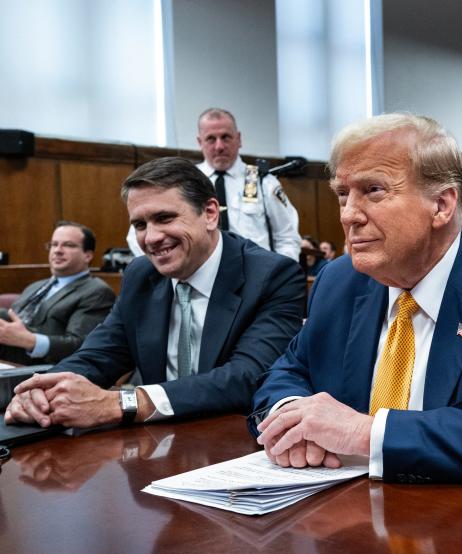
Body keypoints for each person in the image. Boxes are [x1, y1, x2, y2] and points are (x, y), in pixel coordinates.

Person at [251, 113, 462, 491]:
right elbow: (286, 373)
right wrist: (291, 418)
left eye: (373, 191)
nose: (348, 215)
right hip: (356, 514)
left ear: (442, 206)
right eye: (343, 194)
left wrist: (368, 434)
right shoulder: (339, 280)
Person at [4, 157, 304, 429]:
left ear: (210, 213)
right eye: (139, 224)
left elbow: (248, 376)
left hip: (234, 441)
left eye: (164, 218)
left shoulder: (272, 276)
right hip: (154, 444)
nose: (151, 238)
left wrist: (124, 402)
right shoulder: (141, 274)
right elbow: (99, 354)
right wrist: (42, 390)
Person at [125, 108, 301, 262]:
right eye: (211, 139)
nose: (219, 146)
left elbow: (287, 237)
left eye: (226, 137)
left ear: (238, 139)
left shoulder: (263, 181)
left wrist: (276, 275)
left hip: (257, 277)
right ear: (199, 142)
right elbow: (137, 237)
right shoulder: (181, 180)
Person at [0, 221, 115, 365]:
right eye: (54, 244)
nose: (58, 250)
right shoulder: (35, 286)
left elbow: (80, 344)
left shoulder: (97, 291)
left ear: (88, 255)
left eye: (68, 245)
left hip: (42, 368)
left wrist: (30, 341)